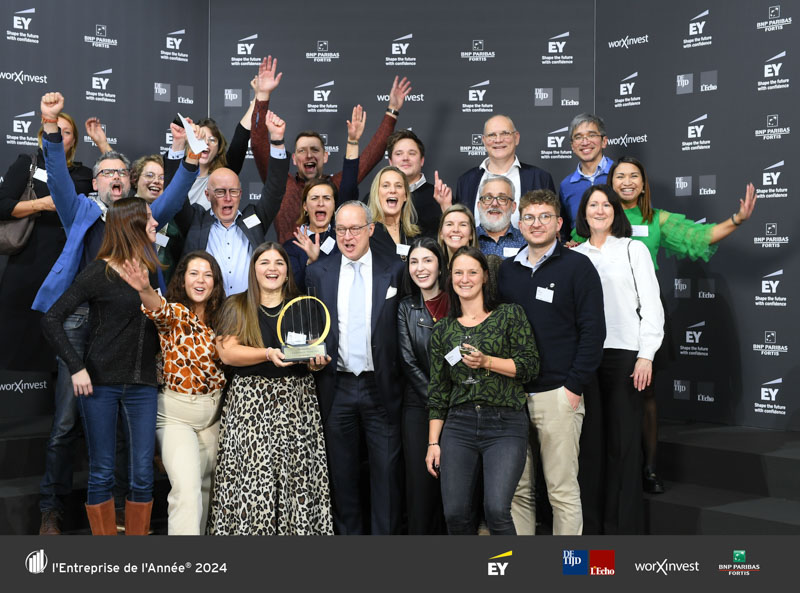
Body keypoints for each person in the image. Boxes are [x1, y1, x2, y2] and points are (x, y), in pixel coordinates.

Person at [34, 91, 198, 535]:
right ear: (96, 183)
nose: (115, 178)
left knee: (128, 438)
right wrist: (50, 128)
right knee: (66, 422)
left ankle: (127, 519)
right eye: (106, 172)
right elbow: (58, 177)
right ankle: (51, 509)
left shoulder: (140, 216)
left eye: (121, 173)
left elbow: (173, 197)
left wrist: (189, 159)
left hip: (129, 327)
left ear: (129, 181)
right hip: (79, 321)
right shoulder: (80, 209)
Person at [578, 156, 757, 493]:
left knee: (644, 393)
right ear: (609, 183)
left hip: (644, 316)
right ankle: (606, 468)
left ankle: (648, 467)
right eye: (620, 176)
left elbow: (699, 236)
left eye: (634, 176)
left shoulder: (657, 219)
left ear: (643, 185)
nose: (627, 181)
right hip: (600, 322)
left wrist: (737, 219)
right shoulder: (594, 217)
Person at [41, 197, 165, 535]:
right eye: (149, 218)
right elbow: (52, 319)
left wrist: (146, 289)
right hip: (101, 383)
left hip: (143, 384)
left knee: (143, 474)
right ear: (131, 224)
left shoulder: (150, 270)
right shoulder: (99, 271)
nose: (155, 223)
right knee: (102, 473)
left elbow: (162, 320)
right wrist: (75, 366)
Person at [498, 189, 605, 535]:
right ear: (519, 223)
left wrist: (572, 388)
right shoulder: (507, 271)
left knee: (562, 491)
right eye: (529, 217)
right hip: (512, 397)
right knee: (518, 492)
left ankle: (567, 564)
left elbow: (593, 332)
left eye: (544, 216)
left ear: (559, 223)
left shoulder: (578, 267)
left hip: (558, 394)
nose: (536, 223)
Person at [207, 242, 333, 535]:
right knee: (254, 482)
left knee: (296, 479)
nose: (272, 269)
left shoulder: (303, 304)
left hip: (296, 404)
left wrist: (316, 364)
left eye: (279, 263)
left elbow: (312, 353)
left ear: (288, 271)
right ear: (253, 270)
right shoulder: (237, 305)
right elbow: (227, 353)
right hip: (250, 406)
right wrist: (267, 354)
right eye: (264, 262)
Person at [305, 201, 405, 534]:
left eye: (355, 229)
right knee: (342, 477)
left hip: (383, 387)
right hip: (337, 387)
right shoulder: (318, 272)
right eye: (341, 230)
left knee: (387, 479)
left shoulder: (395, 269)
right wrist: (313, 354)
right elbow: (312, 327)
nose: (348, 237)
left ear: (370, 229)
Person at [426, 246, 538, 535]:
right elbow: (438, 390)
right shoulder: (443, 330)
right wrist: (433, 443)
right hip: (458, 425)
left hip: (505, 422)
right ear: (450, 278)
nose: (465, 279)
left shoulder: (509, 315)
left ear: (485, 276)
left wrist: (486, 361)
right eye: (458, 273)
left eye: (472, 272)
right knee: (455, 514)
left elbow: (529, 366)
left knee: (497, 510)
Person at [573, 185, 664, 533]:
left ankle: (623, 531)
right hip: (586, 358)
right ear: (583, 212)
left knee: (623, 446)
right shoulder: (575, 255)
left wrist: (646, 356)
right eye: (593, 204)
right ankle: (591, 530)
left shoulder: (632, 249)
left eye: (606, 205)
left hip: (625, 356)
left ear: (615, 211)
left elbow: (651, 305)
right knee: (590, 448)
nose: (600, 210)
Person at [118, 251, 226, 535]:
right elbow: (158, 309)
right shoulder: (176, 314)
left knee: (206, 489)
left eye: (207, 275)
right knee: (186, 491)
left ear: (215, 282)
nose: (200, 280)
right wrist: (144, 289)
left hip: (214, 416)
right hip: (176, 417)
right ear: (182, 279)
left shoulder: (223, 317)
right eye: (194, 274)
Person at [250, 55, 412, 243]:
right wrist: (262, 96)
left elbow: (370, 157)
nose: (309, 155)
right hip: (290, 260)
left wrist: (392, 111)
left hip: (332, 261)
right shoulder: (282, 186)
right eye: (302, 151)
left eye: (315, 150)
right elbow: (258, 145)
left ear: (325, 156)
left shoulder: (336, 185)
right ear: (293, 159)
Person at [0, 111, 91, 375]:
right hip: (28, 262)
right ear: (43, 136)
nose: (60, 136)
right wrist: (41, 204)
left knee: (59, 338)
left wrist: (101, 142)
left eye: (67, 132)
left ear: (73, 141)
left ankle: (55, 396)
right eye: (55, 130)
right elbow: (2, 205)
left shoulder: (83, 174)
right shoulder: (27, 163)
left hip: (68, 267)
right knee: (17, 333)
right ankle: (14, 394)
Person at [174, 110, 289, 296]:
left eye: (233, 192)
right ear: (208, 195)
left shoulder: (254, 220)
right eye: (220, 192)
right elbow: (175, 194)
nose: (228, 198)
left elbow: (275, 190)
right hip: (208, 308)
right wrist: (179, 144)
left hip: (248, 309)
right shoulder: (196, 221)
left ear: (240, 194)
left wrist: (277, 141)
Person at [397, 237, 449, 534]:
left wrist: (449, 399)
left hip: (458, 406)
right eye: (414, 262)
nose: (420, 268)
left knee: (453, 489)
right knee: (420, 487)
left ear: (440, 265)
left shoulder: (458, 301)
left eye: (427, 260)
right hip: (419, 406)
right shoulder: (406, 308)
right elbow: (407, 361)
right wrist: (437, 399)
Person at [284, 105, 366, 291]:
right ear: (305, 206)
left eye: (327, 198)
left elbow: (349, 184)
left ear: (336, 205)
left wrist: (353, 142)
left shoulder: (345, 240)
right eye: (314, 198)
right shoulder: (292, 247)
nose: (321, 202)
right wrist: (312, 261)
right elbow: (295, 290)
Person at [455, 114, 555, 228]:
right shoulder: (466, 181)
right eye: (492, 135)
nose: (498, 140)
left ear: (516, 138)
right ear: (484, 140)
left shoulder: (540, 178)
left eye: (505, 134)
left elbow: (552, 224)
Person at [385, 129, 451, 238]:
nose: (405, 158)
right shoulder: (378, 197)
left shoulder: (441, 198)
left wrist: (446, 206)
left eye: (411, 153)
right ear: (390, 162)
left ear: (422, 160)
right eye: (399, 154)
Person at [559, 113, 612, 235]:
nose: (585, 142)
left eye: (591, 135)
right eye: (578, 137)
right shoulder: (566, 185)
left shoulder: (620, 176)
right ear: (572, 146)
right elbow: (564, 232)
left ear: (604, 141)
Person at [367, 165, 421, 259]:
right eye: (386, 186)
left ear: (405, 196)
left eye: (398, 186)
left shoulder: (415, 236)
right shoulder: (367, 234)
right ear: (377, 194)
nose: (392, 190)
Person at [475, 175, 525, 259]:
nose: (494, 203)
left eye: (502, 198)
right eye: (488, 198)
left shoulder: (526, 242)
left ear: (513, 207)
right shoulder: (467, 239)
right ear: (479, 206)